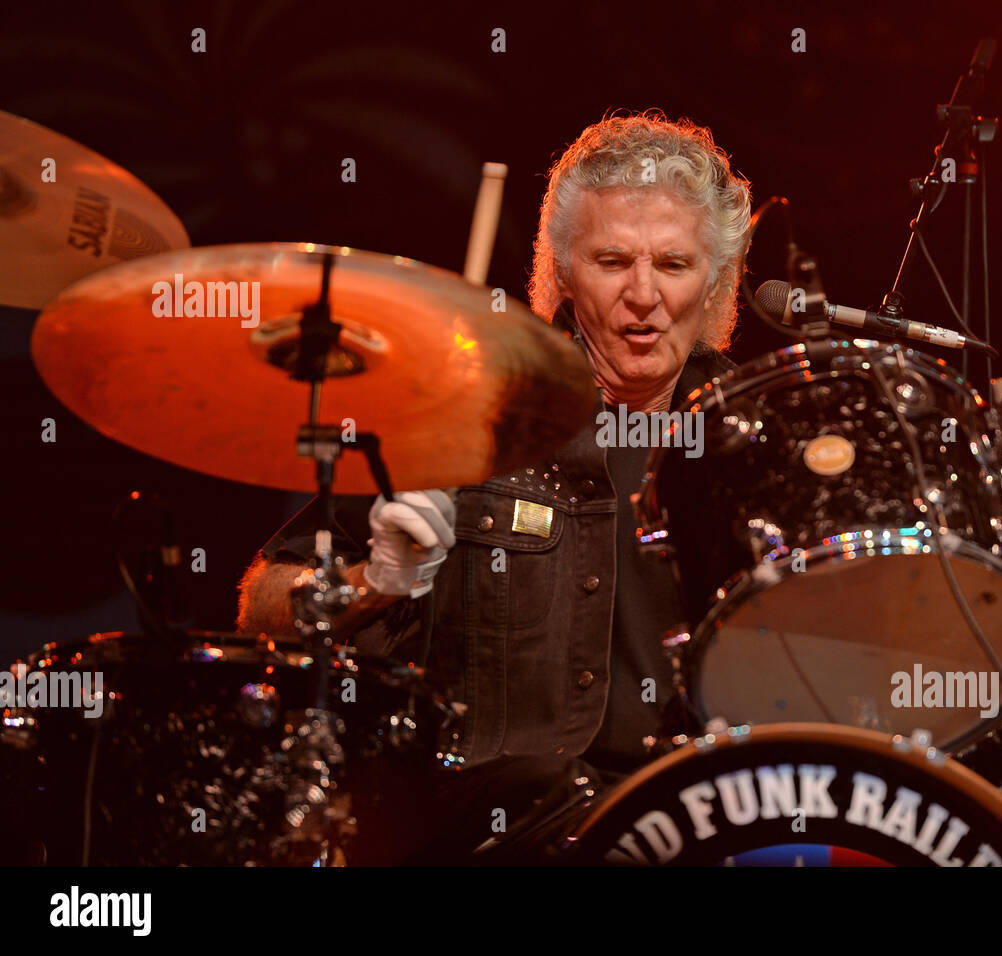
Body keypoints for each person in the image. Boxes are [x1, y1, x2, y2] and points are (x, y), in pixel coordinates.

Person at [237, 109, 753, 861]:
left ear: (715, 281)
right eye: (613, 262)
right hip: (492, 834)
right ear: (564, 272)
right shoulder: (470, 412)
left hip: (695, 830)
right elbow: (261, 605)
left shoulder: (752, 438)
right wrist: (375, 580)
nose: (644, 295)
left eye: (673, 265)